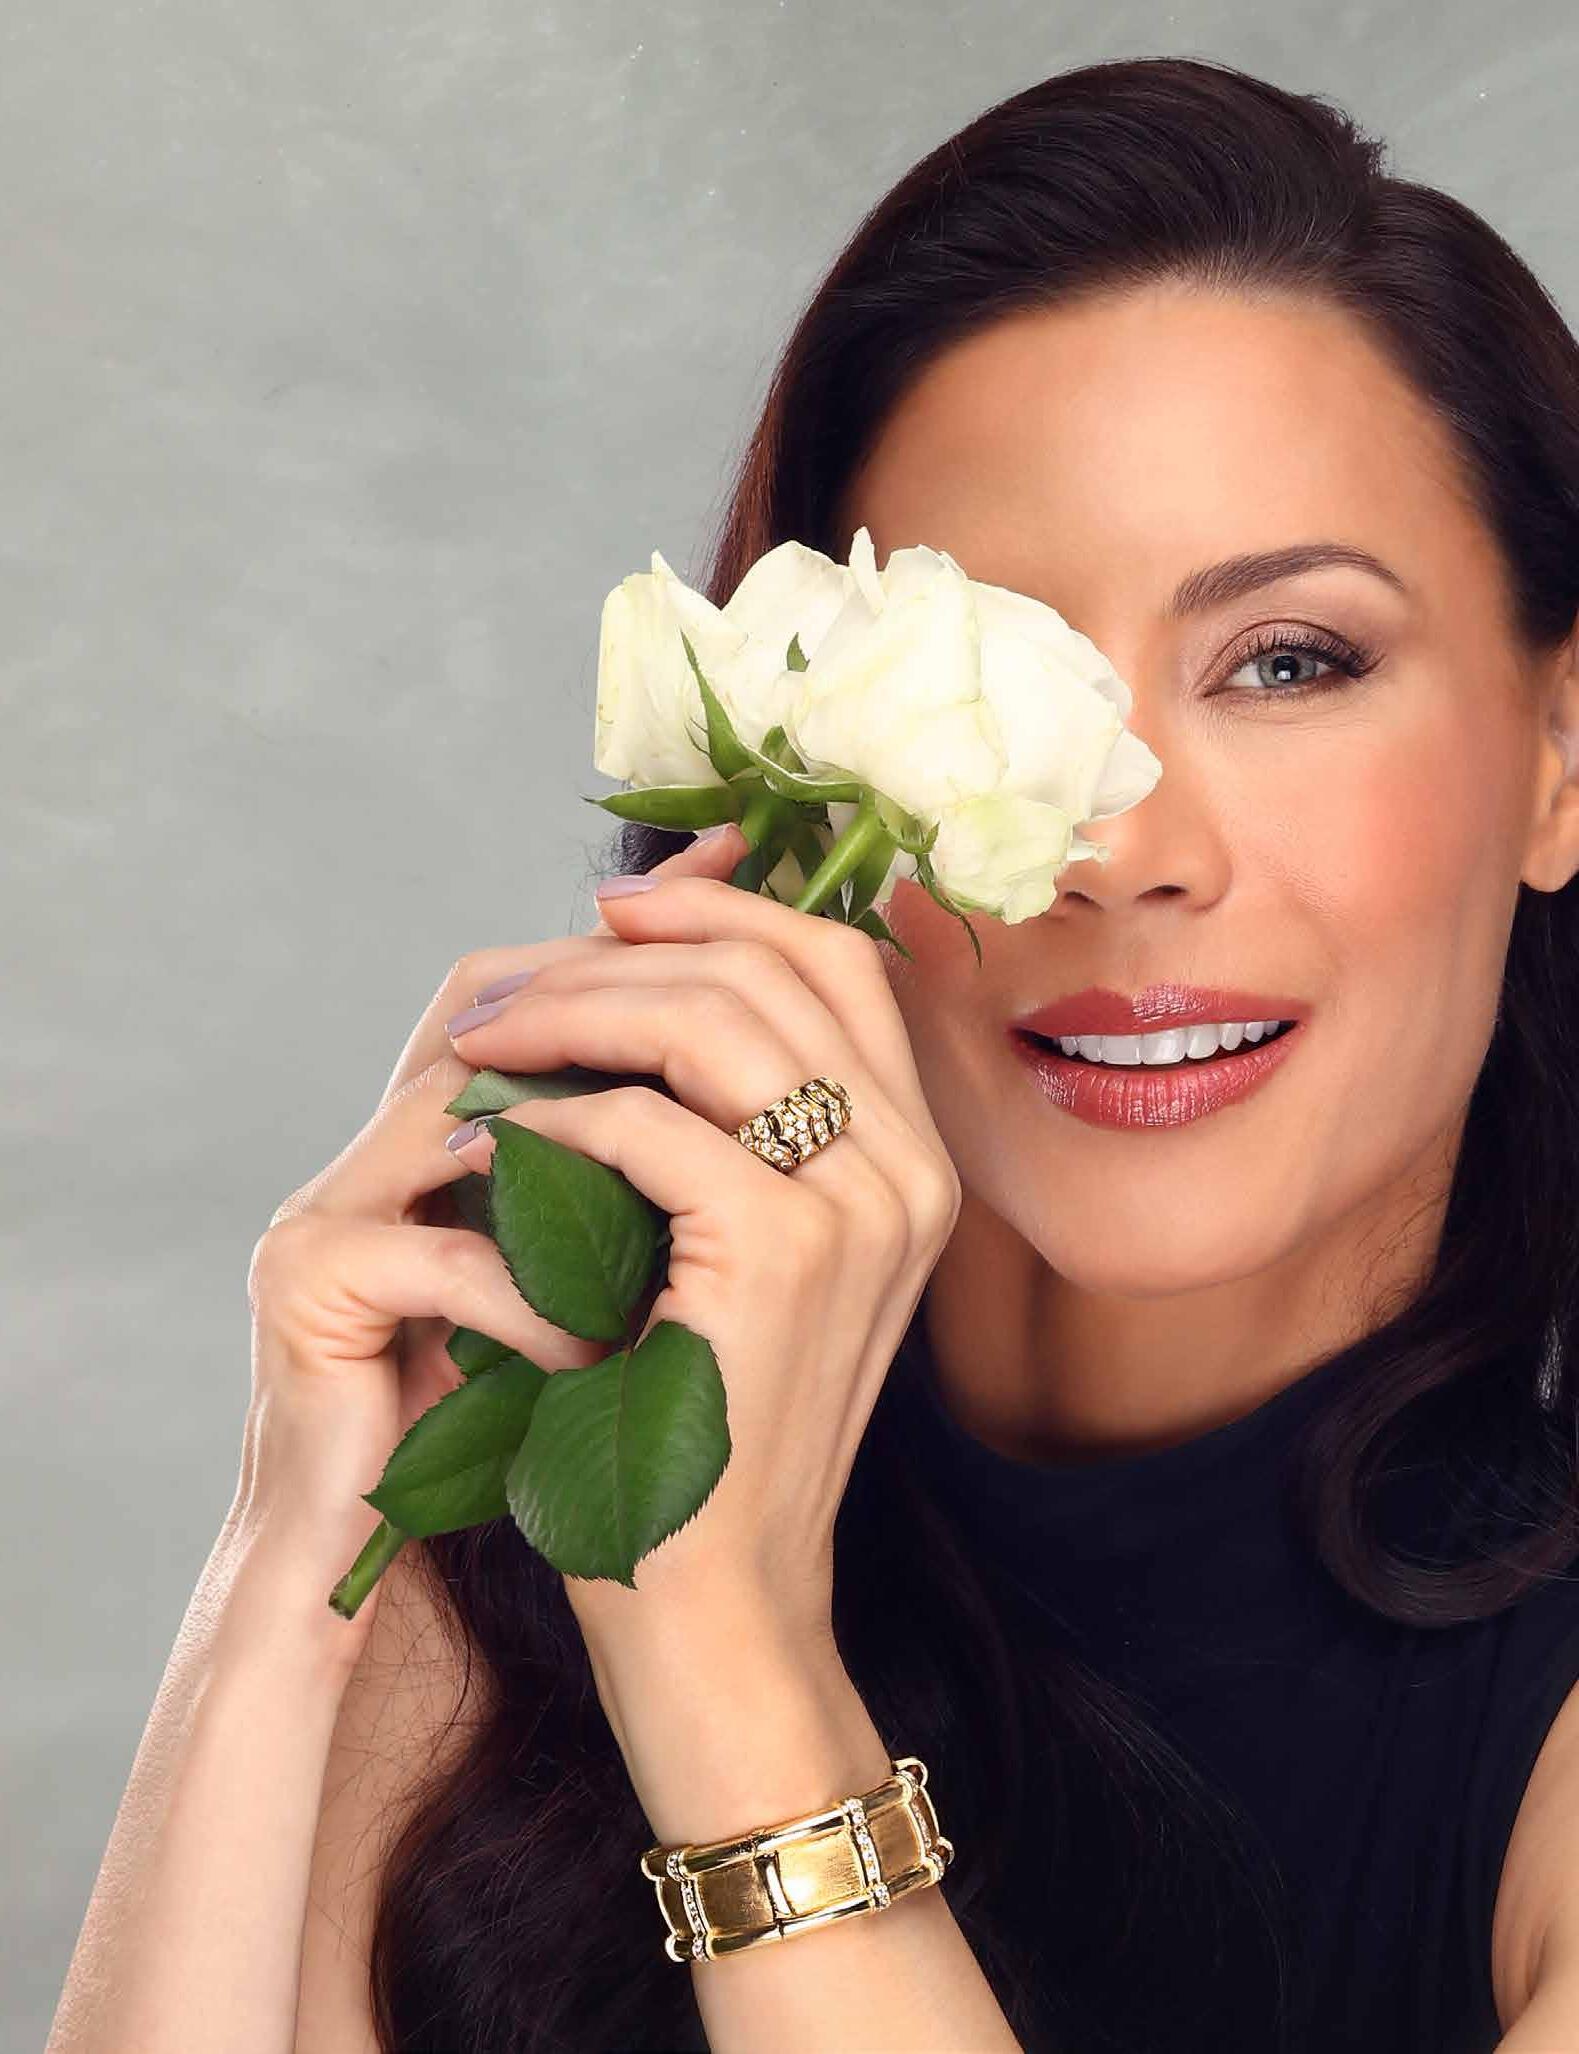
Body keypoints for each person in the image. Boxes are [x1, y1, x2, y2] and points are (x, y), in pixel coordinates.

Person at [45, 51, 1579, 2054]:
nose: (1117, 845)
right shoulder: (532, 1507)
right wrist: (293, 1564)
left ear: (1559, 753)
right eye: (986, 687)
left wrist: (724, 1650)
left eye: (1287, 661)